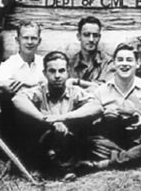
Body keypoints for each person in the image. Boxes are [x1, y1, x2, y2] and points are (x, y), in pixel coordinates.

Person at [12, 51, 102, 179]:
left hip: (70, 143)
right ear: (44, 73)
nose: (57, 76)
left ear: (68, 72)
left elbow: (96, 106)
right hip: (43, 143)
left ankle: (64, 169)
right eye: (52, 71)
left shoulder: (75, 92)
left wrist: (63, 118)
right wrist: (45, 119)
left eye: (61, 71)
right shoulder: (39, 91)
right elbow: (18, 99)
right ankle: (58, 169)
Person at [86, 43, 141, 170]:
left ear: (137, 64)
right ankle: (131, 158)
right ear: (114, 64)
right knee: (89, 140)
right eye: (120, 60)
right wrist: (106, 117)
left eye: (129, 60)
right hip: (112, 142)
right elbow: (94, 125)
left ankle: (110, 162)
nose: (124, 64)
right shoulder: (101, 91)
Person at [0, 21, 46, 97]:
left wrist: (24, 86)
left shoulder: (45, 63)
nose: (29, 42)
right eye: (25, 38)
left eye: (34, 38)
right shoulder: (7, 66)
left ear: (39, 41)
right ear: (17, 40)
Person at [68, 16, 115, 88]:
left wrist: (78, 82)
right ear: (79, 36)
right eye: (86, 35)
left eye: (95, 35)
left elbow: (107, 88)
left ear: (99, 37)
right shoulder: (70, 64)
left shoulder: (108, 63)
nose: (91, 39)